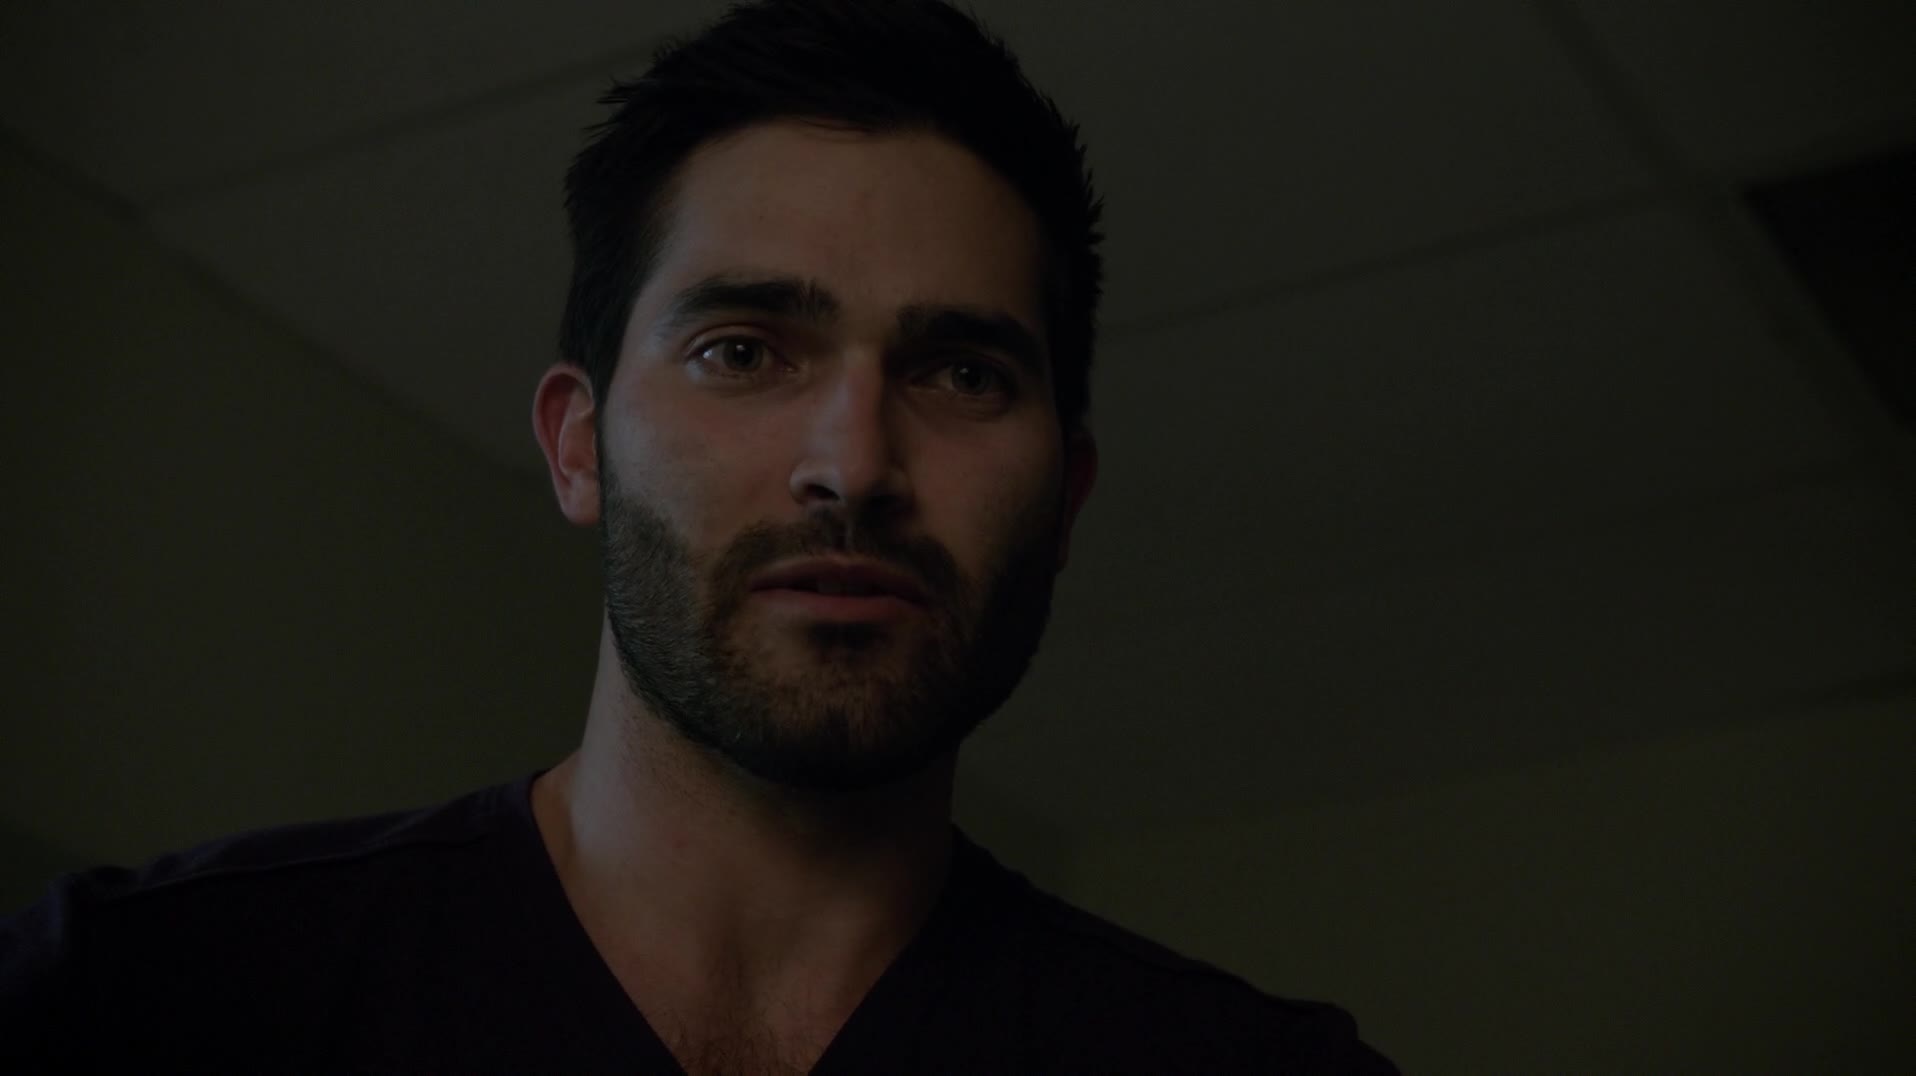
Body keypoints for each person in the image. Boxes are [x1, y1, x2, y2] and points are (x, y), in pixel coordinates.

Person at [0, 1, 1396, 1072]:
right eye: (743, 351)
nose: (853, 466)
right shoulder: (135, 1001)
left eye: (963, 374)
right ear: (577, 445)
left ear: (1067, 498)